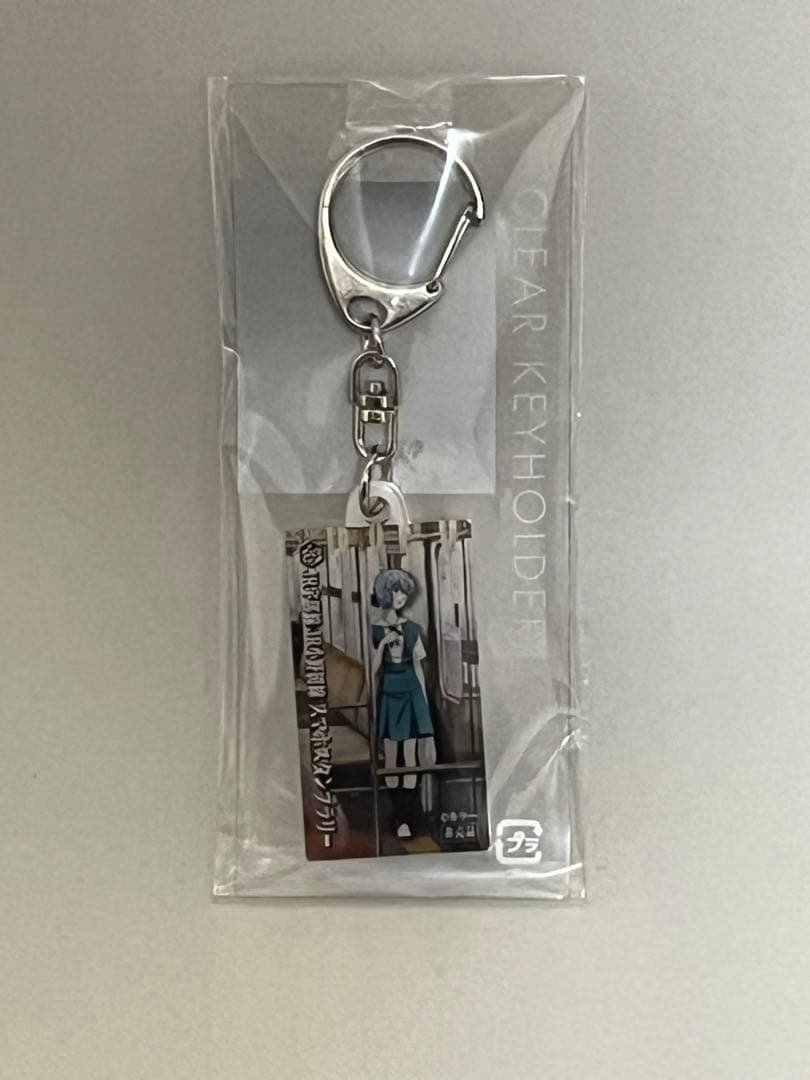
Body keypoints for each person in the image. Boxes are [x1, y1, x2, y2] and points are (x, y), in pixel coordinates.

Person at [371, 568, 437, 840]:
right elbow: (374, 670)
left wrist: (423, 705)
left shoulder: (412, 629)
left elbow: (419, 668)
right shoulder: (375, 630)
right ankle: (399, 815)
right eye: (396, 591)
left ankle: (407, 818)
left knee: (410, 757)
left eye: (403, 592)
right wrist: (383, 645)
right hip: (389, 692)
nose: (400, 597)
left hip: (410, 692)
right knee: (391, 757)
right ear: (386, 594)